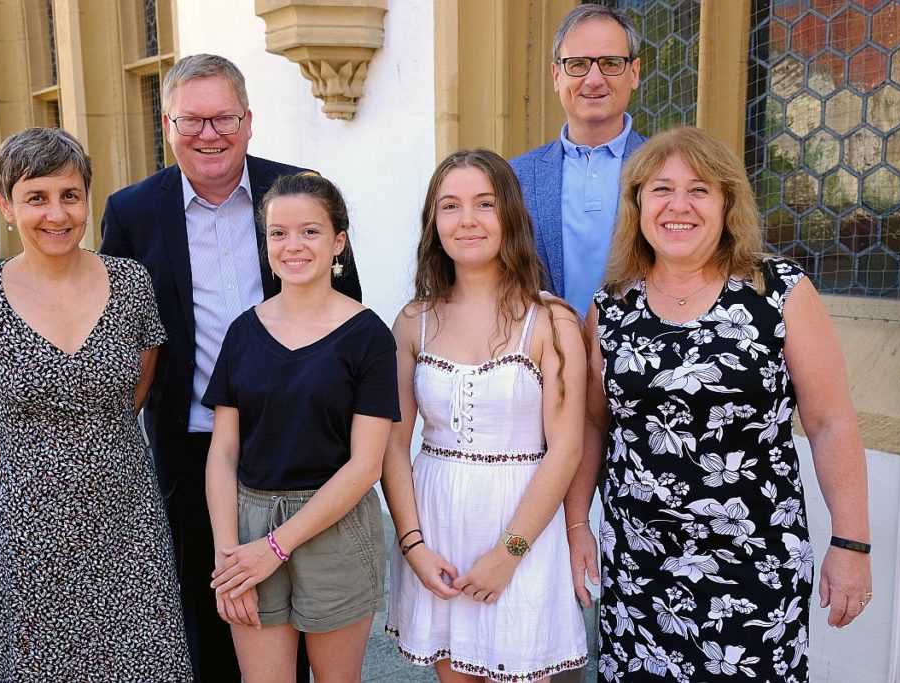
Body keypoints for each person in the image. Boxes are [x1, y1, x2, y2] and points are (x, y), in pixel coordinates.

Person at [100, 54, 361, 681]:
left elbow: (346, 306)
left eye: (223, 118)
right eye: (192, 121)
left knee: (309, 604)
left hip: (298, 437)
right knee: (212, 596)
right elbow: (113, 327)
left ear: (248, 121)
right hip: (192, 440)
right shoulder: (132, 212)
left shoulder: (296, 192)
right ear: (167, 125)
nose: (209, 135)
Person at [586, 126, 871, 681]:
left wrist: (851, 542)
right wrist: (578, 527)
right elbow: (594, 429)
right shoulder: (611, 307)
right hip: (641, 572)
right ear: (638, 204)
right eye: (661, 189)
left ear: (727, 204)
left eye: (700, 190)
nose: (679, 206)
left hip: (754, 570)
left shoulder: (780, 291)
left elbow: (831, 422)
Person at [0, 127, 191, 681]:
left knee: (145, 661)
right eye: (36, 197)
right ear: (6, 206)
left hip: (128, 520)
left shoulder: (130, 284)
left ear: (87, 200)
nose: (56, 214)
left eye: (69, 195)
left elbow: (136, 388)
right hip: (33, 531)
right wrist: (27, 486)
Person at [384, 148, 589, 682]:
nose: (467, 219)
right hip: (437, 528)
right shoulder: (412, 322)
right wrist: (413, 546)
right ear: (434, 222)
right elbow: (393, 444)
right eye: (450, 206)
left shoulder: (551, 322)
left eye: (484, 203)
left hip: (521, 526)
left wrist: (509, 552)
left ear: (511, 216)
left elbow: (566, 448)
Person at [202, 172, 399, 682]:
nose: (293, 245)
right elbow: (224, 451)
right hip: (248, 524)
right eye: (278, 232)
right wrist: (229, 556)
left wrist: (277, 547)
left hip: (334, 524)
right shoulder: (243, 332)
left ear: (338, 241)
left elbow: (366, 464)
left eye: (310, 231)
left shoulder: (368, 336)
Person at [510, 3, 647, 317]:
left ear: (634, 72)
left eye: (611, 63)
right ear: (557, 75)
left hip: (639, 358)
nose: (594, 79)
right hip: (544, 356)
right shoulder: (516, 176)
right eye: (578, 64)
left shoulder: (666, 171)